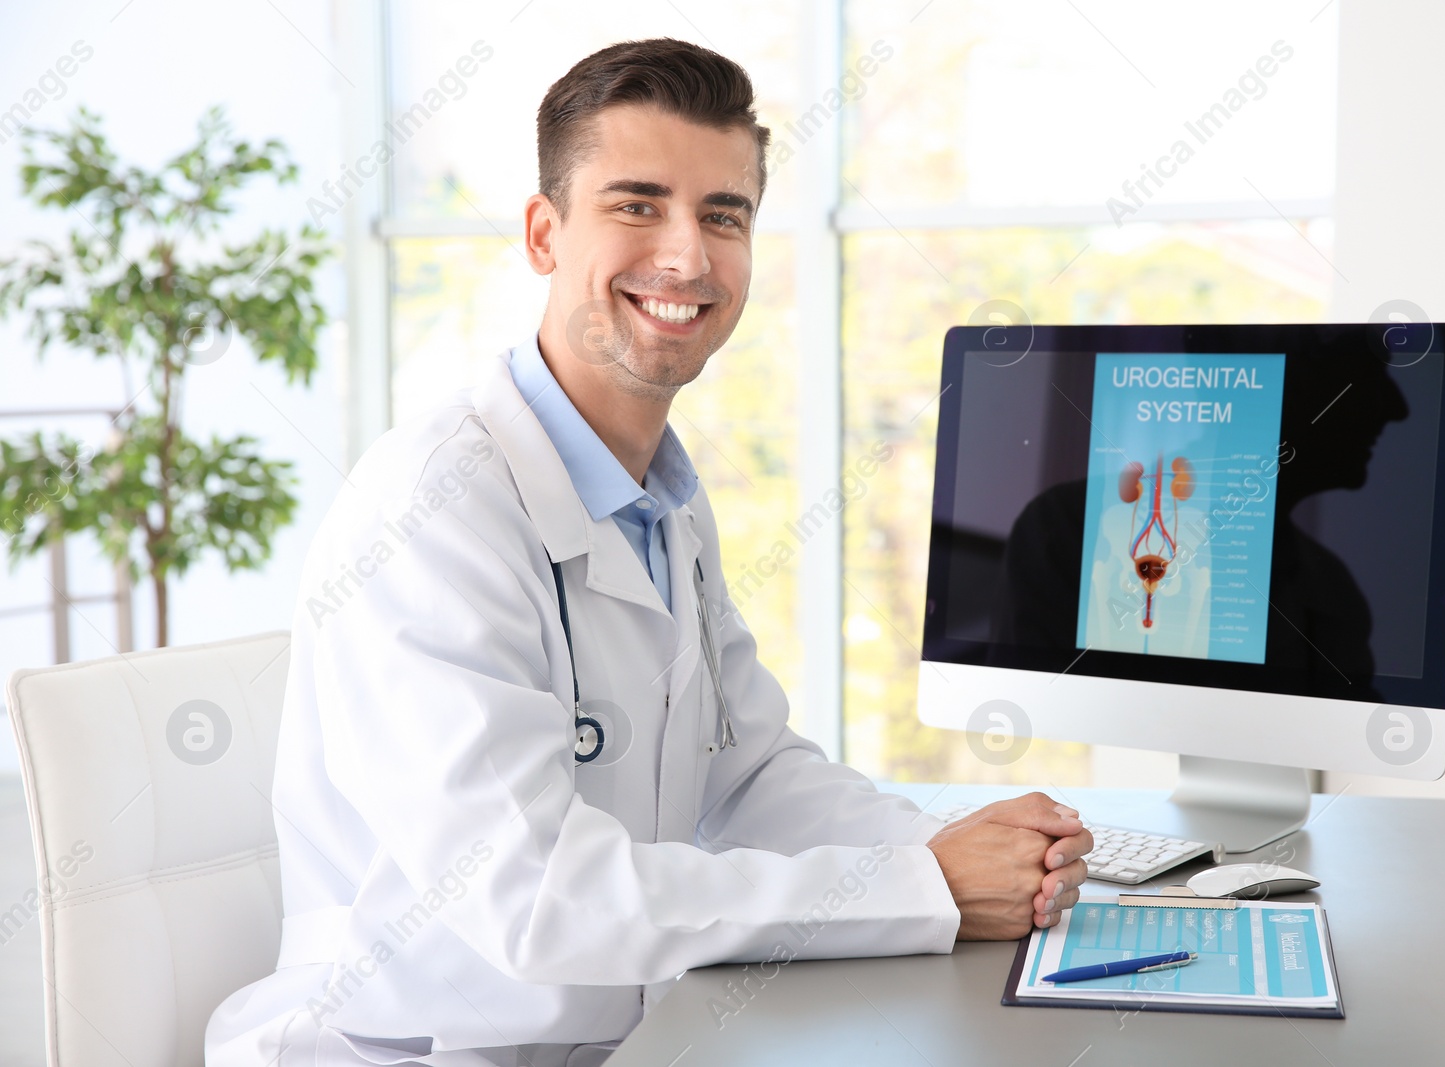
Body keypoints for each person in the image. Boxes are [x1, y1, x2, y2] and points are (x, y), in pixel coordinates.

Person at [207, 38, 1092, 1067]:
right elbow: (540, 897)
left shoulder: (657, 494)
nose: (687, 256)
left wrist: (952, 849)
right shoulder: (434, 509)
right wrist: (922, 887)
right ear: (543, 233)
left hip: (627, 1037)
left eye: (724, 214)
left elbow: (747, 773)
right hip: (416, 1049)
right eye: (637, 203)